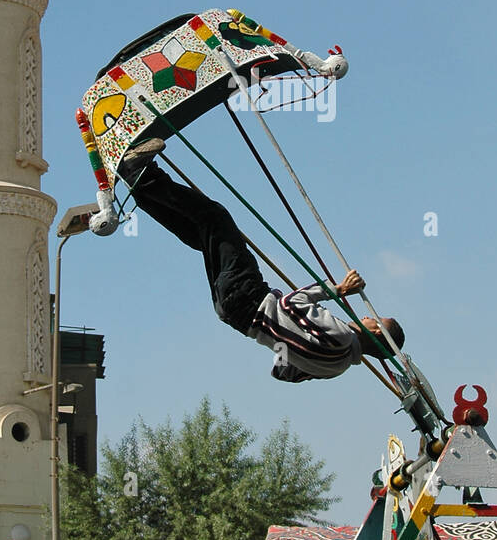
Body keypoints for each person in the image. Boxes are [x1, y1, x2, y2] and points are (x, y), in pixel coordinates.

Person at [99, 141, 404, 382]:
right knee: (204, 237)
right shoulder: (334, 368)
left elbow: (291, 303)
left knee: (216, 217)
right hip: (234, 314)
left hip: (250, 297)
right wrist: (286, 338)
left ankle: (143, 176)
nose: (364, 318)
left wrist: (337, 290)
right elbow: (283, 372)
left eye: (372, 319)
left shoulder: (340, 337)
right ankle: (139, 183)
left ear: (376, 331)